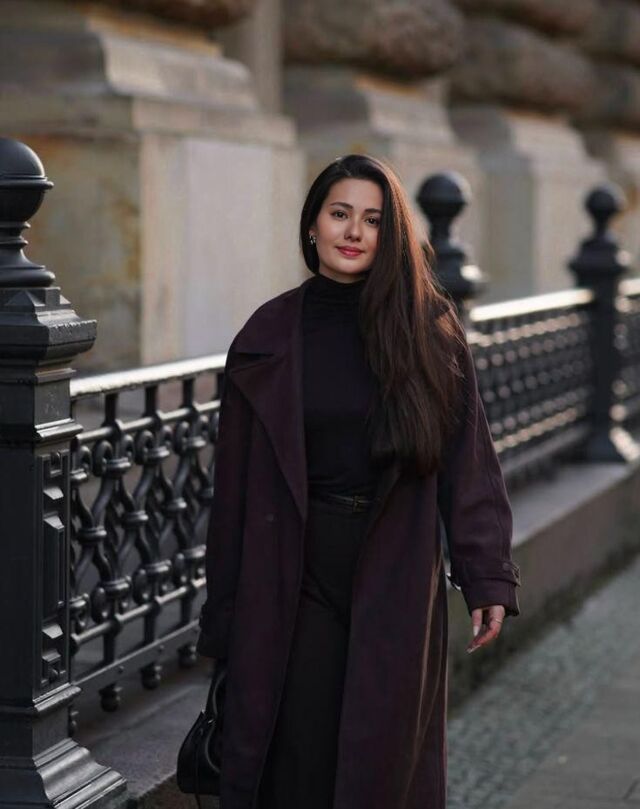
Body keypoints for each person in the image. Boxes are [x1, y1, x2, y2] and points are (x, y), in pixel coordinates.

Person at [196, 154, 521, 809]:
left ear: (390, 234)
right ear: (311, 224)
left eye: (373, 220)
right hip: (296, 564)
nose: (353, 231)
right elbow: (231, 492)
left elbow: (468, 463)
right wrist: (224, 614)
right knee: (301, 756)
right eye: (339, 213)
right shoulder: (267, 335)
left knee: (382, 759)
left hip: (394, 560)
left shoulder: (428, 331)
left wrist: (487, 574)